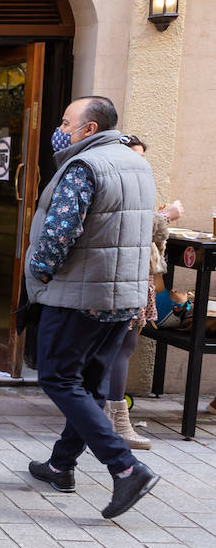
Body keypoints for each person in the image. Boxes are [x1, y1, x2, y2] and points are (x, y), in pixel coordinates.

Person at [24, 95, 159, 519]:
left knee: (60, 378)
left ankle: (125, 467)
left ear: (90, 129)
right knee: (91, 383)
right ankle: (61, 465)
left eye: (66, 121)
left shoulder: (84, 167)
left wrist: (40, 272)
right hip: (122, 297)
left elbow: (59, 232)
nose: (59, 129)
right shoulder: (138, 163)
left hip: (81, 294)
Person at [103, 134, 182, 449]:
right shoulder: (119, 183)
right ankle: (115, 423)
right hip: (124, 275)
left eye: (142, 159)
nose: (139, 164)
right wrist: (167, 217)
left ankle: (106, 419)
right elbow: (133, 225)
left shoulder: (122, 180)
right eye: (134, 156)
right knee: (121, 345)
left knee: (122, 344)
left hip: (131, 275)